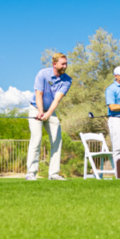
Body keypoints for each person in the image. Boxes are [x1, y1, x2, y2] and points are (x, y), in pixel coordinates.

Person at [26, 53, 72, 181]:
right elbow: (38, 94)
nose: (65, 66)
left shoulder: (67, 80)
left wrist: (48, 114)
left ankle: (54, 174)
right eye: (63, 64)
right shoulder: (43, 74)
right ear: (54, 64)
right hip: (36, 108)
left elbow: (57, 99)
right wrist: (41, 112)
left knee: (57, 140)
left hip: (50, 111)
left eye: (66, 63)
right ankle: (31, 173)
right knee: (36, 138)